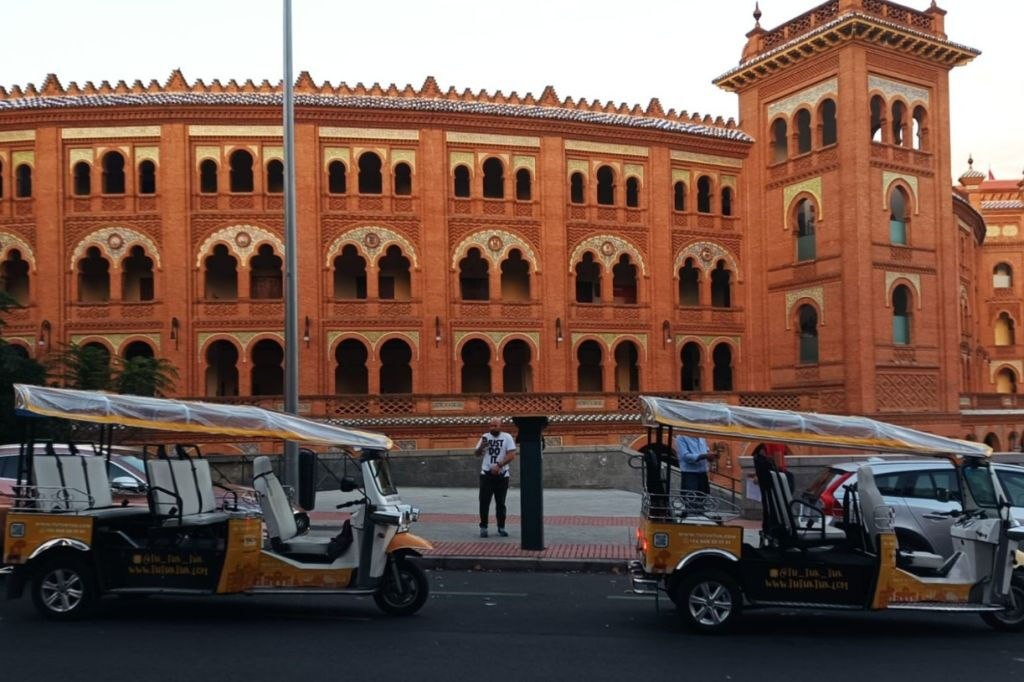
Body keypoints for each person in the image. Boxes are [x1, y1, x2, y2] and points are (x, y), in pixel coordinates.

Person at [475, 417, 517, 538]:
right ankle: (483, 527)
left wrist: (499, 466)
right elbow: (476, 454)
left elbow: (512, 454)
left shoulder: (507, 437)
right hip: (486, 474)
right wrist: (482, 446)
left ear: (500, 426)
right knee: (484, 502)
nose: (492, 428)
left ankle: (501, 527)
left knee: (501, 503)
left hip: (502, 475)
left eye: (495, 425)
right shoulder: (485, 437)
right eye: (490, 426)